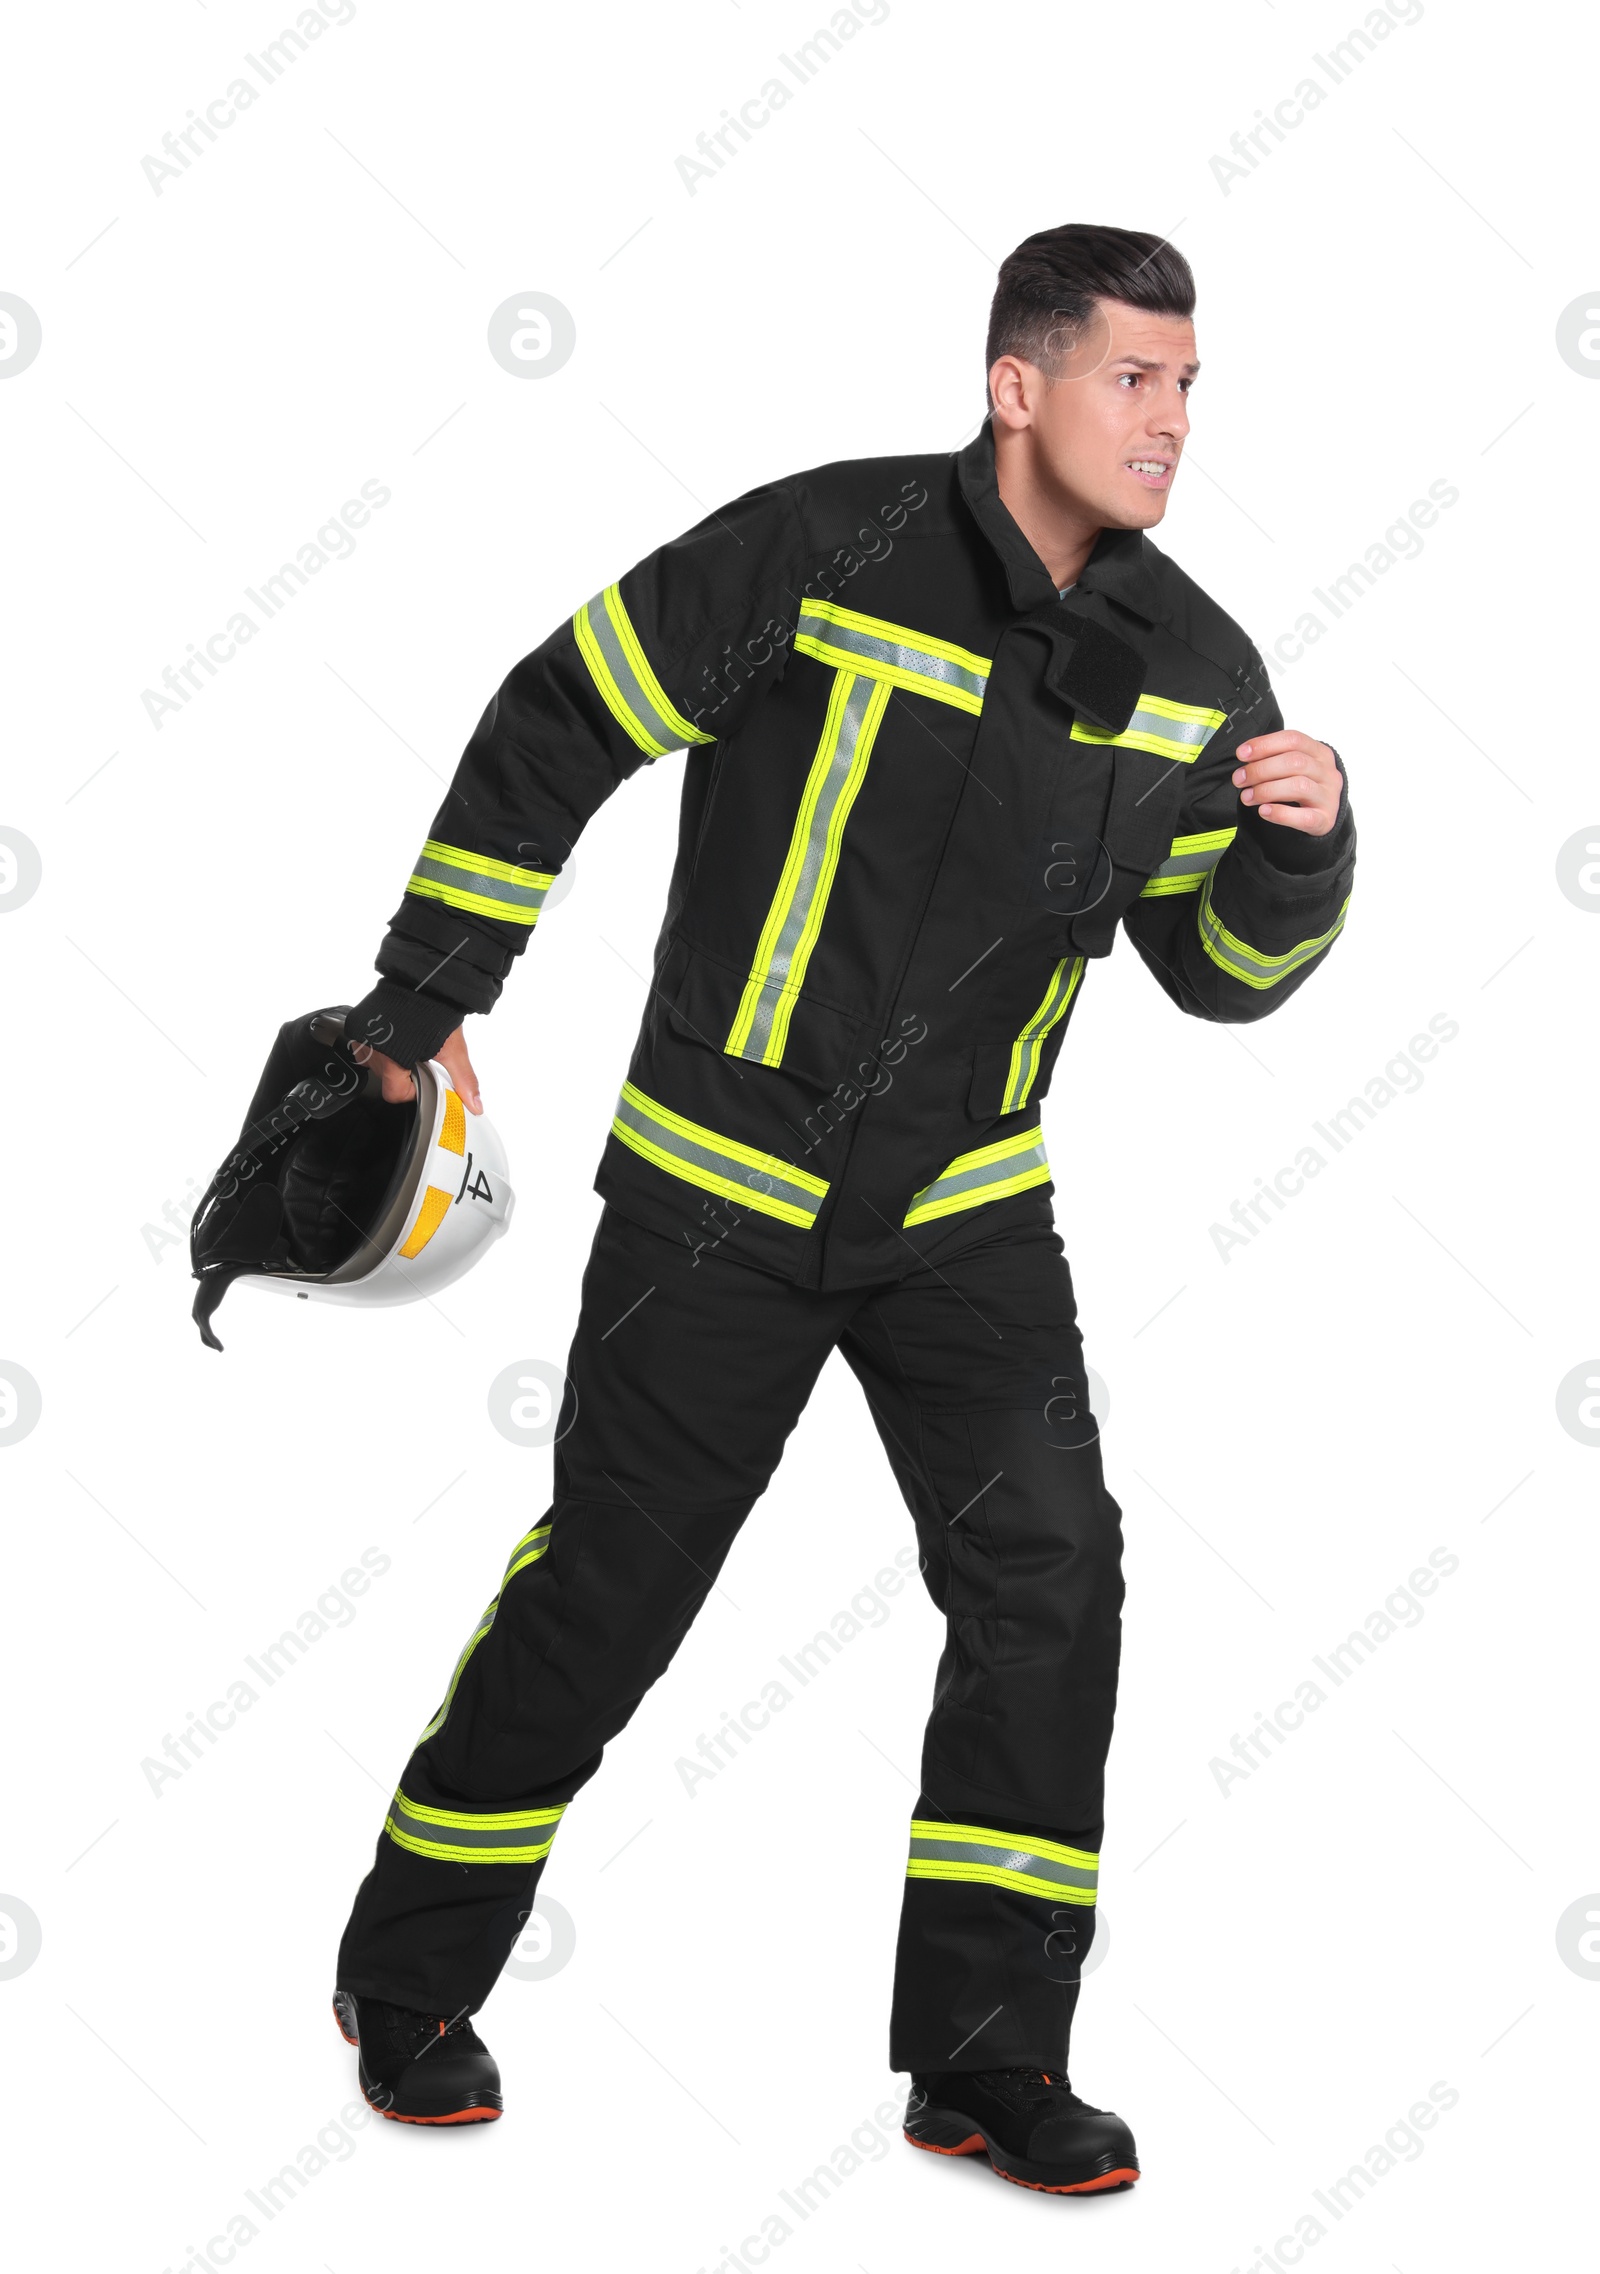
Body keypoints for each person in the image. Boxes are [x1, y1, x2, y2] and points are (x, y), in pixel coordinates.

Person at [329, 222, 1355, 2191]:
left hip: (965, 1213)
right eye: (1132, 378)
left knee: (1054, 1587)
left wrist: (1302, 855)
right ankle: (406, 1970)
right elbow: (565, 716)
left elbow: (1213, 970)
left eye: (1187, 383)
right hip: (716, 1191)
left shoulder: (1193, 673)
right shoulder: (820, 547)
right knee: (613, 1594)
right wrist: (417, 1007)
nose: (1168, 420)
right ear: (1015, 385)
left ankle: (985, 2056)